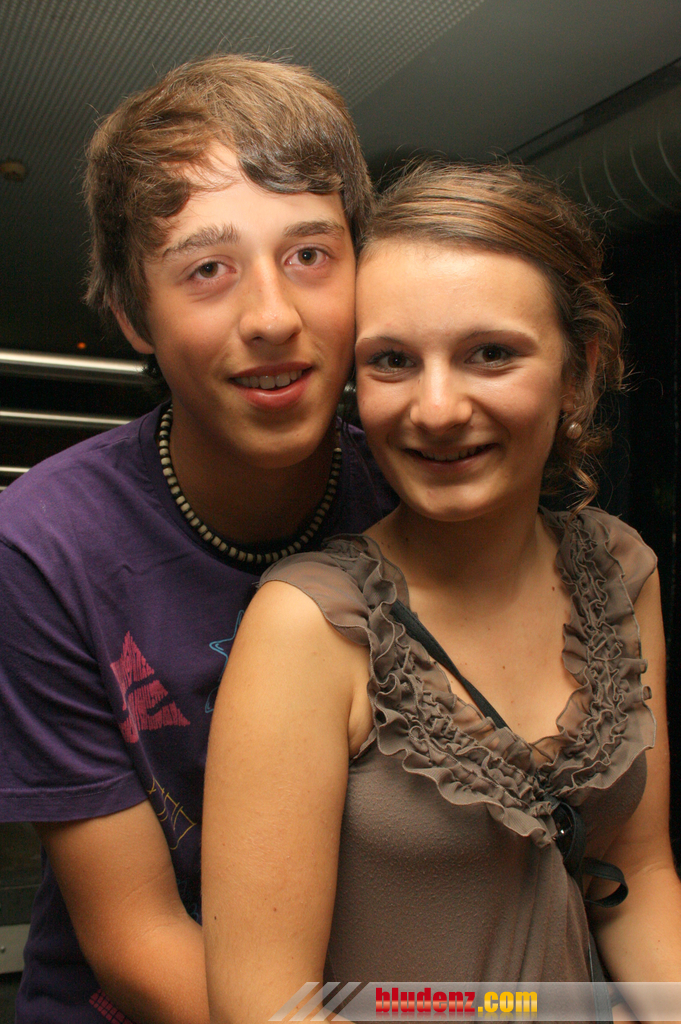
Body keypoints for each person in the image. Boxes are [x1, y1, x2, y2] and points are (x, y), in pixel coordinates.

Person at [202, 162, 681, 1023]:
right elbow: (266, 1007)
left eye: (489, 354)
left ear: (578, 373)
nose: (436, 408)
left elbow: (636, 875)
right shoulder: (311, 626)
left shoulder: (618, 571)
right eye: (391, 361)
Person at [0, 55, 395, 1024]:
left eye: (310, 255)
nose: (273, 317)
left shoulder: (411, 492)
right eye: (208, 270)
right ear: (134, 315)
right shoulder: (45, 544)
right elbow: (139, 941)